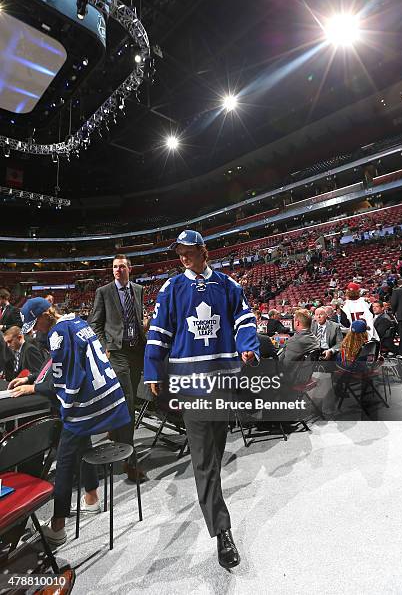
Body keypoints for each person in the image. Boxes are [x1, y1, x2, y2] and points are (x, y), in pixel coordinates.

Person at [144, 229, 259, 569]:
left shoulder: (227, 284)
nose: (183, 257)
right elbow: (159, 331)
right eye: (179, 252)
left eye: (189, 251)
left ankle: (211, 498)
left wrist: (248, 346)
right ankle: (222, 532)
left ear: (203, 251)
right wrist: (153, 370)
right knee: (204, 460)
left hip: (221, 380)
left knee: (216, 451)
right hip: (190, 384)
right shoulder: (171, 288)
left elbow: (244, 318)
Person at [8, 297, 130, 546]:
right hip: (108, 395)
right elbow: (62, 363)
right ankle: (92, 498)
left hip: (90, 403)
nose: (36, 330)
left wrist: (34, 388)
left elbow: (63, 378)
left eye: (36, 324)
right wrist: (32, 377)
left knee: (64, 462)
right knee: (82, 441)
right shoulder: (76, 322)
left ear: (44, 316)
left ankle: (58, 526)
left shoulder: (57, 333)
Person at [88, 254, 146, 482]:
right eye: (114, 267)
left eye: (121, 266)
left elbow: (137, 317)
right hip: (118, 353)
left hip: (136, 351)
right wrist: (105, 347)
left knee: (128, 401)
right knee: (129, 403)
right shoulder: (103, 292)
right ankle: (130, 463)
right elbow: (95, 323)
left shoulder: (139, 290)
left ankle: (116, 432)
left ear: (129, 269)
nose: (117, 270)